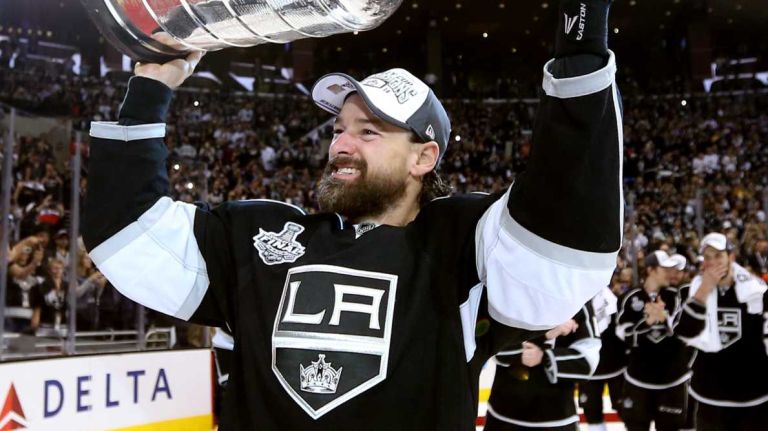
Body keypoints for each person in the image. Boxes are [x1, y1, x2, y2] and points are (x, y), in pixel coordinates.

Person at [82, 0, 623, 428]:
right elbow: (128, 233)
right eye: (340, 127)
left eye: (369, 131)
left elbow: (565, 235)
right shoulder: (263, 235)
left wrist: (582, 38)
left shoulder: (461, 248)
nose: (341, 143)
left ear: (424, 157)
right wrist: (151, 86)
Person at [675, 233, 768, 431]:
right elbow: (685, 333)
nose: (713, 262)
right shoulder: (692, 290)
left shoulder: (757, 291)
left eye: (718, 255)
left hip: (753, 395)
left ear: (731, 257)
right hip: (710, 393)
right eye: (707, 257)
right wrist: (704, 291)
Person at [484, 306, 600, 431]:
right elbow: (494, 348)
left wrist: (544, 357)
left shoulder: (579, 300)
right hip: (503, 415)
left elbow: (587, 363)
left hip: (558, 419)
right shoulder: (512, 294)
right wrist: (545, 335)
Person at [615, 250, 690, 431]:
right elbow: (622, 335)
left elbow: (687, 332)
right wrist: (646, 322)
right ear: (650, 270)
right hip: (638, 380)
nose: (672, 273)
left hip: (673, 380)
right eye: (665, 269)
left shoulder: (676, 296)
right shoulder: (631, 298)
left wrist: (666, 319)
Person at [578, 286, 626, 431]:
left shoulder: (615, 300)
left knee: (626, 410)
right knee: (591, 413)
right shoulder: (576, 300)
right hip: (589, 367)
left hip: (615, 365)